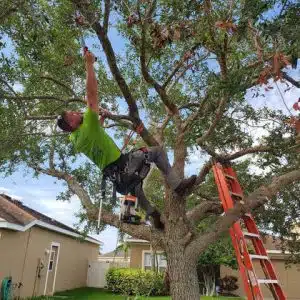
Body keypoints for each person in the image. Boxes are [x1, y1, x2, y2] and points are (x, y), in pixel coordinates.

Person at [57, 51, 197, 229]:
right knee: (157, 152)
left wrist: (101, 120)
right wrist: (89, 64)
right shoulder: (86, 126)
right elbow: (91, 93)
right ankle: (178, 186)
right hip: (122, 166)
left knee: (135, 186)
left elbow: (94, 135)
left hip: (116, 177)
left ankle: (154, 216)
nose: (78, 113)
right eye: (73, 114)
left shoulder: (75, 138)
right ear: (71, 123)